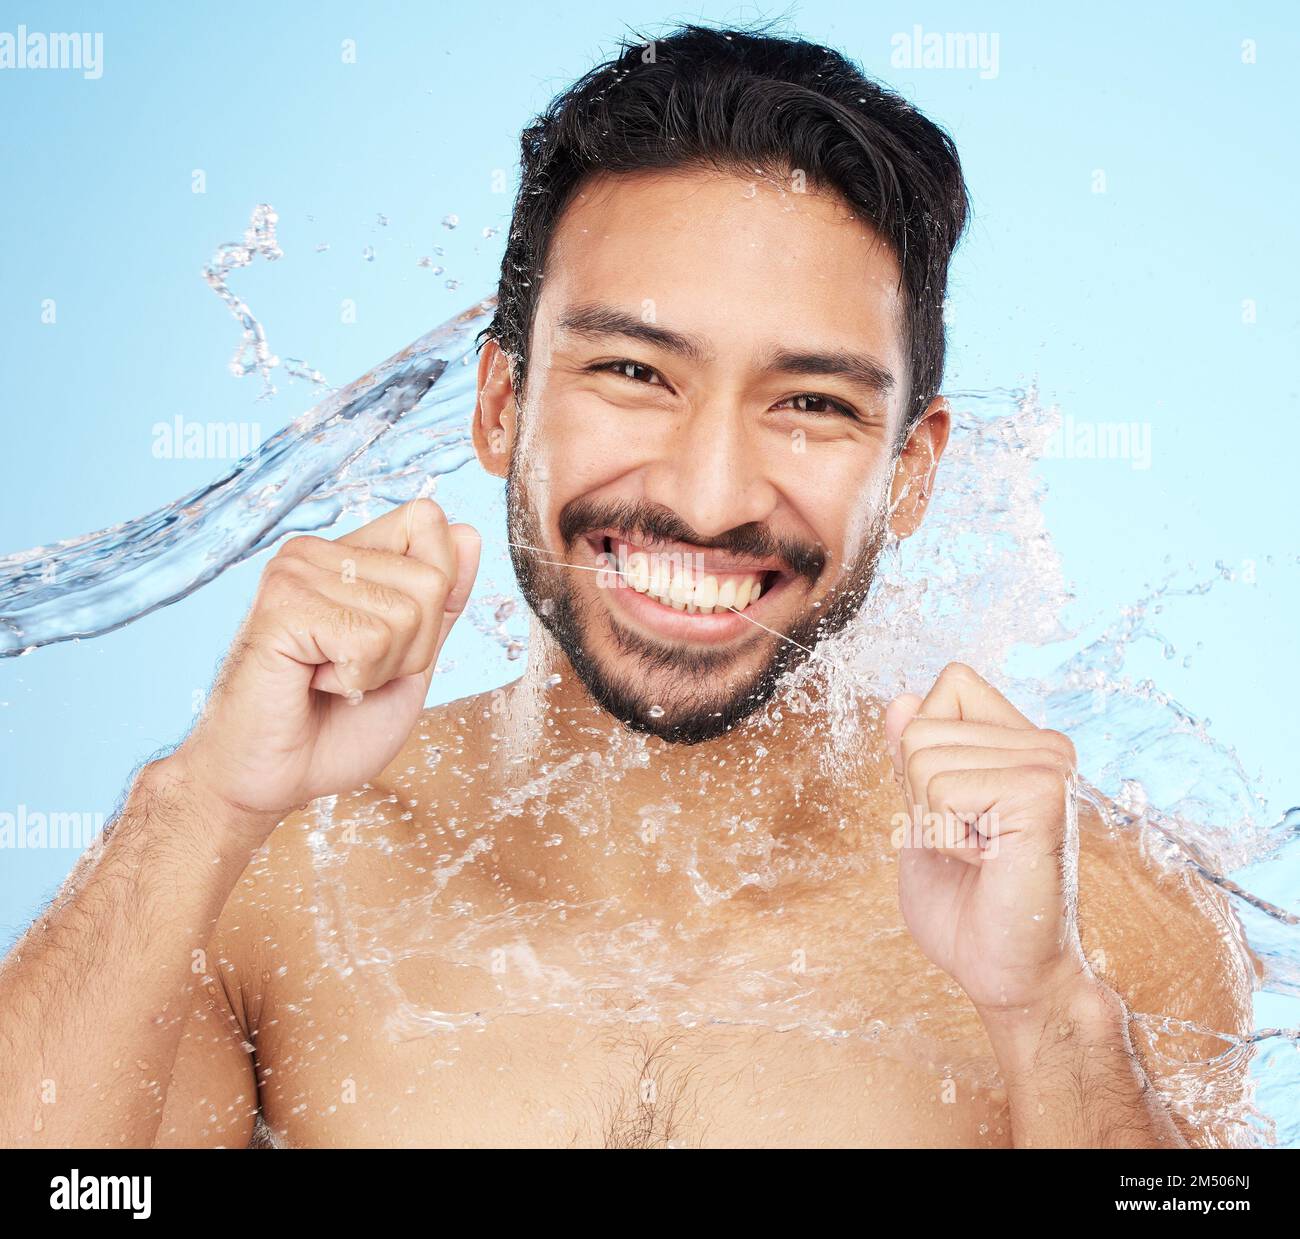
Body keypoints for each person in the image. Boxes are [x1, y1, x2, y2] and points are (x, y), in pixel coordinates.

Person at [0, 24, 1254, 1149]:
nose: (710, 498)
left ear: (910, 473)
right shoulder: (265, 879)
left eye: (810, 403)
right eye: (633, 373)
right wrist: (200, 801)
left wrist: (1043, 1019)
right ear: (502, 406)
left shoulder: (1100, 934)